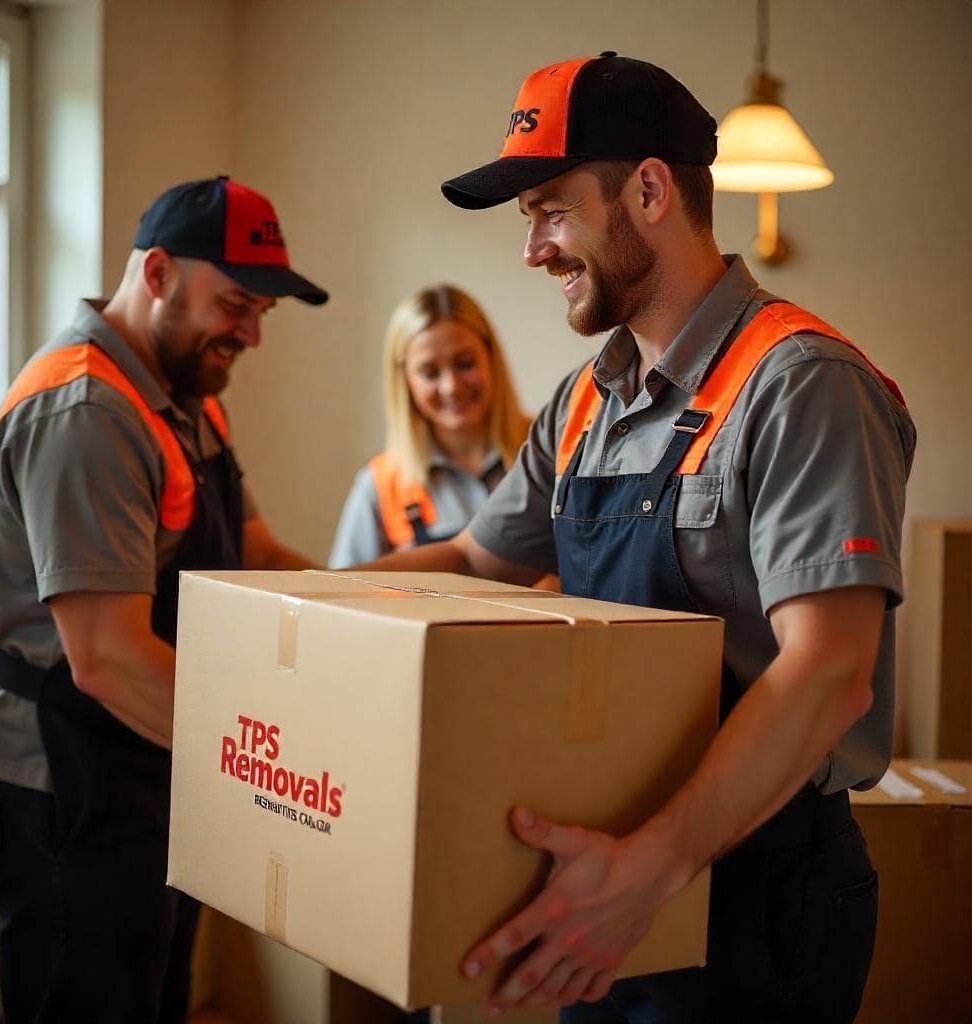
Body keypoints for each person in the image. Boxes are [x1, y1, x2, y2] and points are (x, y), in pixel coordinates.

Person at [357, 53, 916, 1022]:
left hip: (752, 890)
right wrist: (283, 613)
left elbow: (830, 669)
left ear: (650, 189)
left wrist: (650, 868)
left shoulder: (800, 384)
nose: (531, 251)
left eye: (550, 211)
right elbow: (471, 561)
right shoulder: (584, 402)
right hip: (607, 870)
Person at [0, 176, 325, 1023]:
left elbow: (254, 552)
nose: (253, 332)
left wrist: (383, 613)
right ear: (156, 273)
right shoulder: (86, 414)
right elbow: (110, 659)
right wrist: (278, 759)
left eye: (264, 309)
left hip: (145, 766)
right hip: (60, 789)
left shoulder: (184, 399)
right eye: (237, 302)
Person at [328, 284, 529, 567]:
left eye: (465, 363)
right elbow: (342, 596)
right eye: (430, 373)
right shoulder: (380, 485)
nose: (451, 387)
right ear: (405, 381)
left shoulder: (549, 452)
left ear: (491, 357)